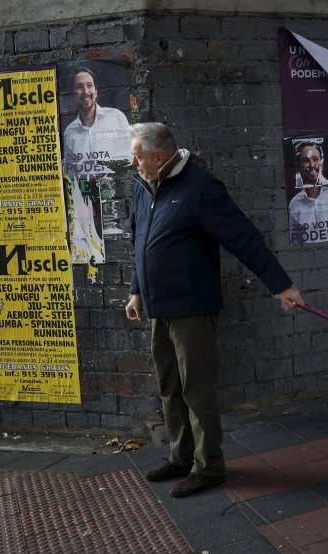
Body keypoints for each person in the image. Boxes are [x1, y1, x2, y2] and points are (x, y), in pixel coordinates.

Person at [125, 122, 305, 498]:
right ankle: (181, 455)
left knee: (196, 389)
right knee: (169, 387)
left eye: (137, 155)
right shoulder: (144, 189)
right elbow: (139, 243)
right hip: (159, 309)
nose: (133, 162)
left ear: (159, 157)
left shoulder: (201, 189)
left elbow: (244, 238)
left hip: (191, 309)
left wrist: (281, 286)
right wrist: (136, 292)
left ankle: (209, 467)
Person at [61, 67, 131, 176]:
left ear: (96, 91)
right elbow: (70, 173)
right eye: (80, 87)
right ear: (73, 94)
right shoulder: (69, 132)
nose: (86, 92)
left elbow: (130, 158)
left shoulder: (116, 117)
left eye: (89, 85)